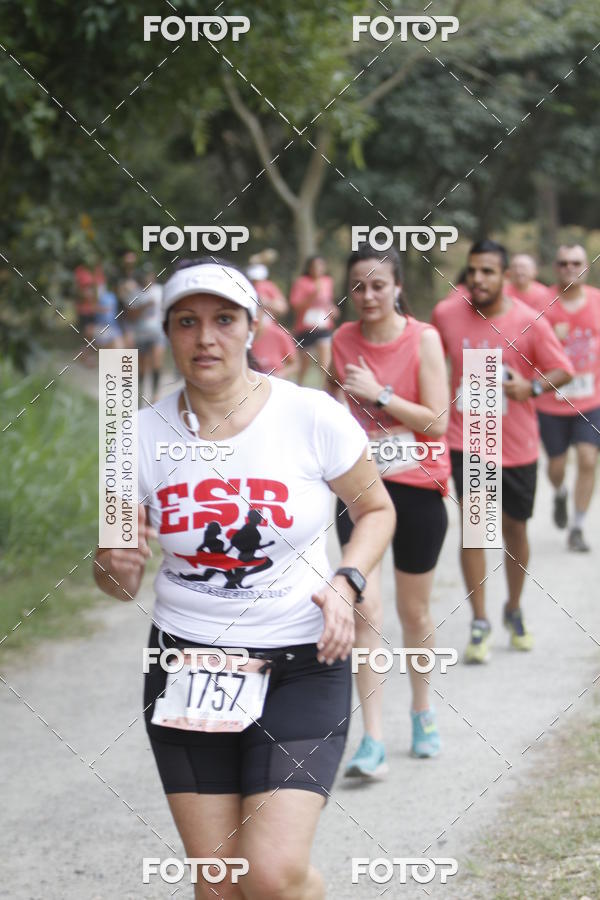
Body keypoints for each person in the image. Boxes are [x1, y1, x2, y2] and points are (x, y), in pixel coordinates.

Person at [93, 257, 395, 900]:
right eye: (188, 322)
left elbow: (375, 509)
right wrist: (115, 567)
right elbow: (115, 579)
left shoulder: (311, 416)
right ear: (167, 332)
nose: (206, 338)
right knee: (221, 881)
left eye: (224, 320)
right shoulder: (135, 439)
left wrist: (346, 582)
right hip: (188, 664)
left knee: (273, 873)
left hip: (304, 658)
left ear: (252, 328)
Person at [328, 244, 450, 773]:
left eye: (378, 285)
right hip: (360, 492)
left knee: (413, 611)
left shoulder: (424, 338)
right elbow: (336, 412)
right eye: (359, 286)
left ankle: (423, 710)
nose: (369, 295)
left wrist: (380, 395)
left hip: (418, 488)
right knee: (365, 610)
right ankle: (372, 738)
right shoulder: (341, 339)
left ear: (397, 287)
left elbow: (438, 422)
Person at [432, 239, 574, 664]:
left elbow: (563, 370)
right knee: (476, 528)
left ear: (505, 277)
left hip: (518, 444)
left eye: (488, 271)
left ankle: (513, 607)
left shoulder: (530, 321)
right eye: (472, 270)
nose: (477, 279)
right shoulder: (445, 315)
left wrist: (529, 387)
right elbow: (428, 360)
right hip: (470, 439)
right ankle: (479, 620)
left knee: (515, 530)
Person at [536, 244, 600, 552]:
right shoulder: (541, 303)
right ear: (555, 267)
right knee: (556, 465)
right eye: (563, 263)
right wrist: (550, 336)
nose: (569, 268)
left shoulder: (598, 301)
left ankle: (577, 526)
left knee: (588, 459)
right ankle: (560, 492)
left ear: (585, 268)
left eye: (576, 263)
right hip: (551, 402)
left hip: (590, 399)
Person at [290, 256, 338, 386]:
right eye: (315, 266)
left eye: (321, 266)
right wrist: (312, 296)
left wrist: (332, 309)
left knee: (325, 363)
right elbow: (295, 305)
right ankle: (299, 388)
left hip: (323, 326)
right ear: (309, 268)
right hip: (305, 327)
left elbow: (327, 301)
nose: (318, 269)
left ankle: (325, 391)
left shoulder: (328, 281)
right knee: (304, 364)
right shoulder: (301, 282)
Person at [126, 267, 166, 403]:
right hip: (141, 334)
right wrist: (144, 306)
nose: (147, 279)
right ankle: (140, 395)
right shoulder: (135, 294)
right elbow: (130, 316)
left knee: (156, 362)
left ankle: (155, 395)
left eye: (150, 276)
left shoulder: (160, 291)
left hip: (158, 333)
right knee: (142, 367)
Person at [251, 304, 298, 379]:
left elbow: (294, 364)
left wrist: (281, 374)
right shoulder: (244, 336)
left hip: (274, 380)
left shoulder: (280, 334)